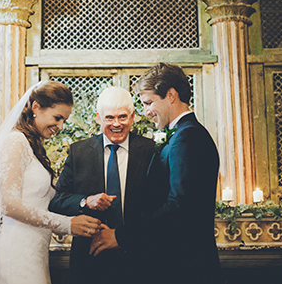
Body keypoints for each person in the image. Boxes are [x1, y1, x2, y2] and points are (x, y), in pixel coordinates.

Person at [0, 81, 101, 284]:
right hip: (16, 253)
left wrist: (81, 209)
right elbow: (9, 205)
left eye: (64, 121)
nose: (60, 127)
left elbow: (39, 205)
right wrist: (67, 224)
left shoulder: (33, 146)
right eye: (57, 118)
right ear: (36, 108)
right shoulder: (16, 141)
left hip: (34, 253)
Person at [91, 63, 221, 284]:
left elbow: (178, 208)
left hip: (185, 266)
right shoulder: (184, 135)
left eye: (149, 102)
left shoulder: (187, 138)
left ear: (171, 95)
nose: (146, 112)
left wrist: (120, 236)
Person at [49, 86, 155, 284]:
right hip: (89, 261)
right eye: (109, 118)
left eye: (122, 117)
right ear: (98, 118)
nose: (116, 124)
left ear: (132, 117)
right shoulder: (78, 152)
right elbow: (56, 200)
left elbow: (156, 206)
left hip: (137, 259)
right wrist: (85, 202)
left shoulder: (151, 150)